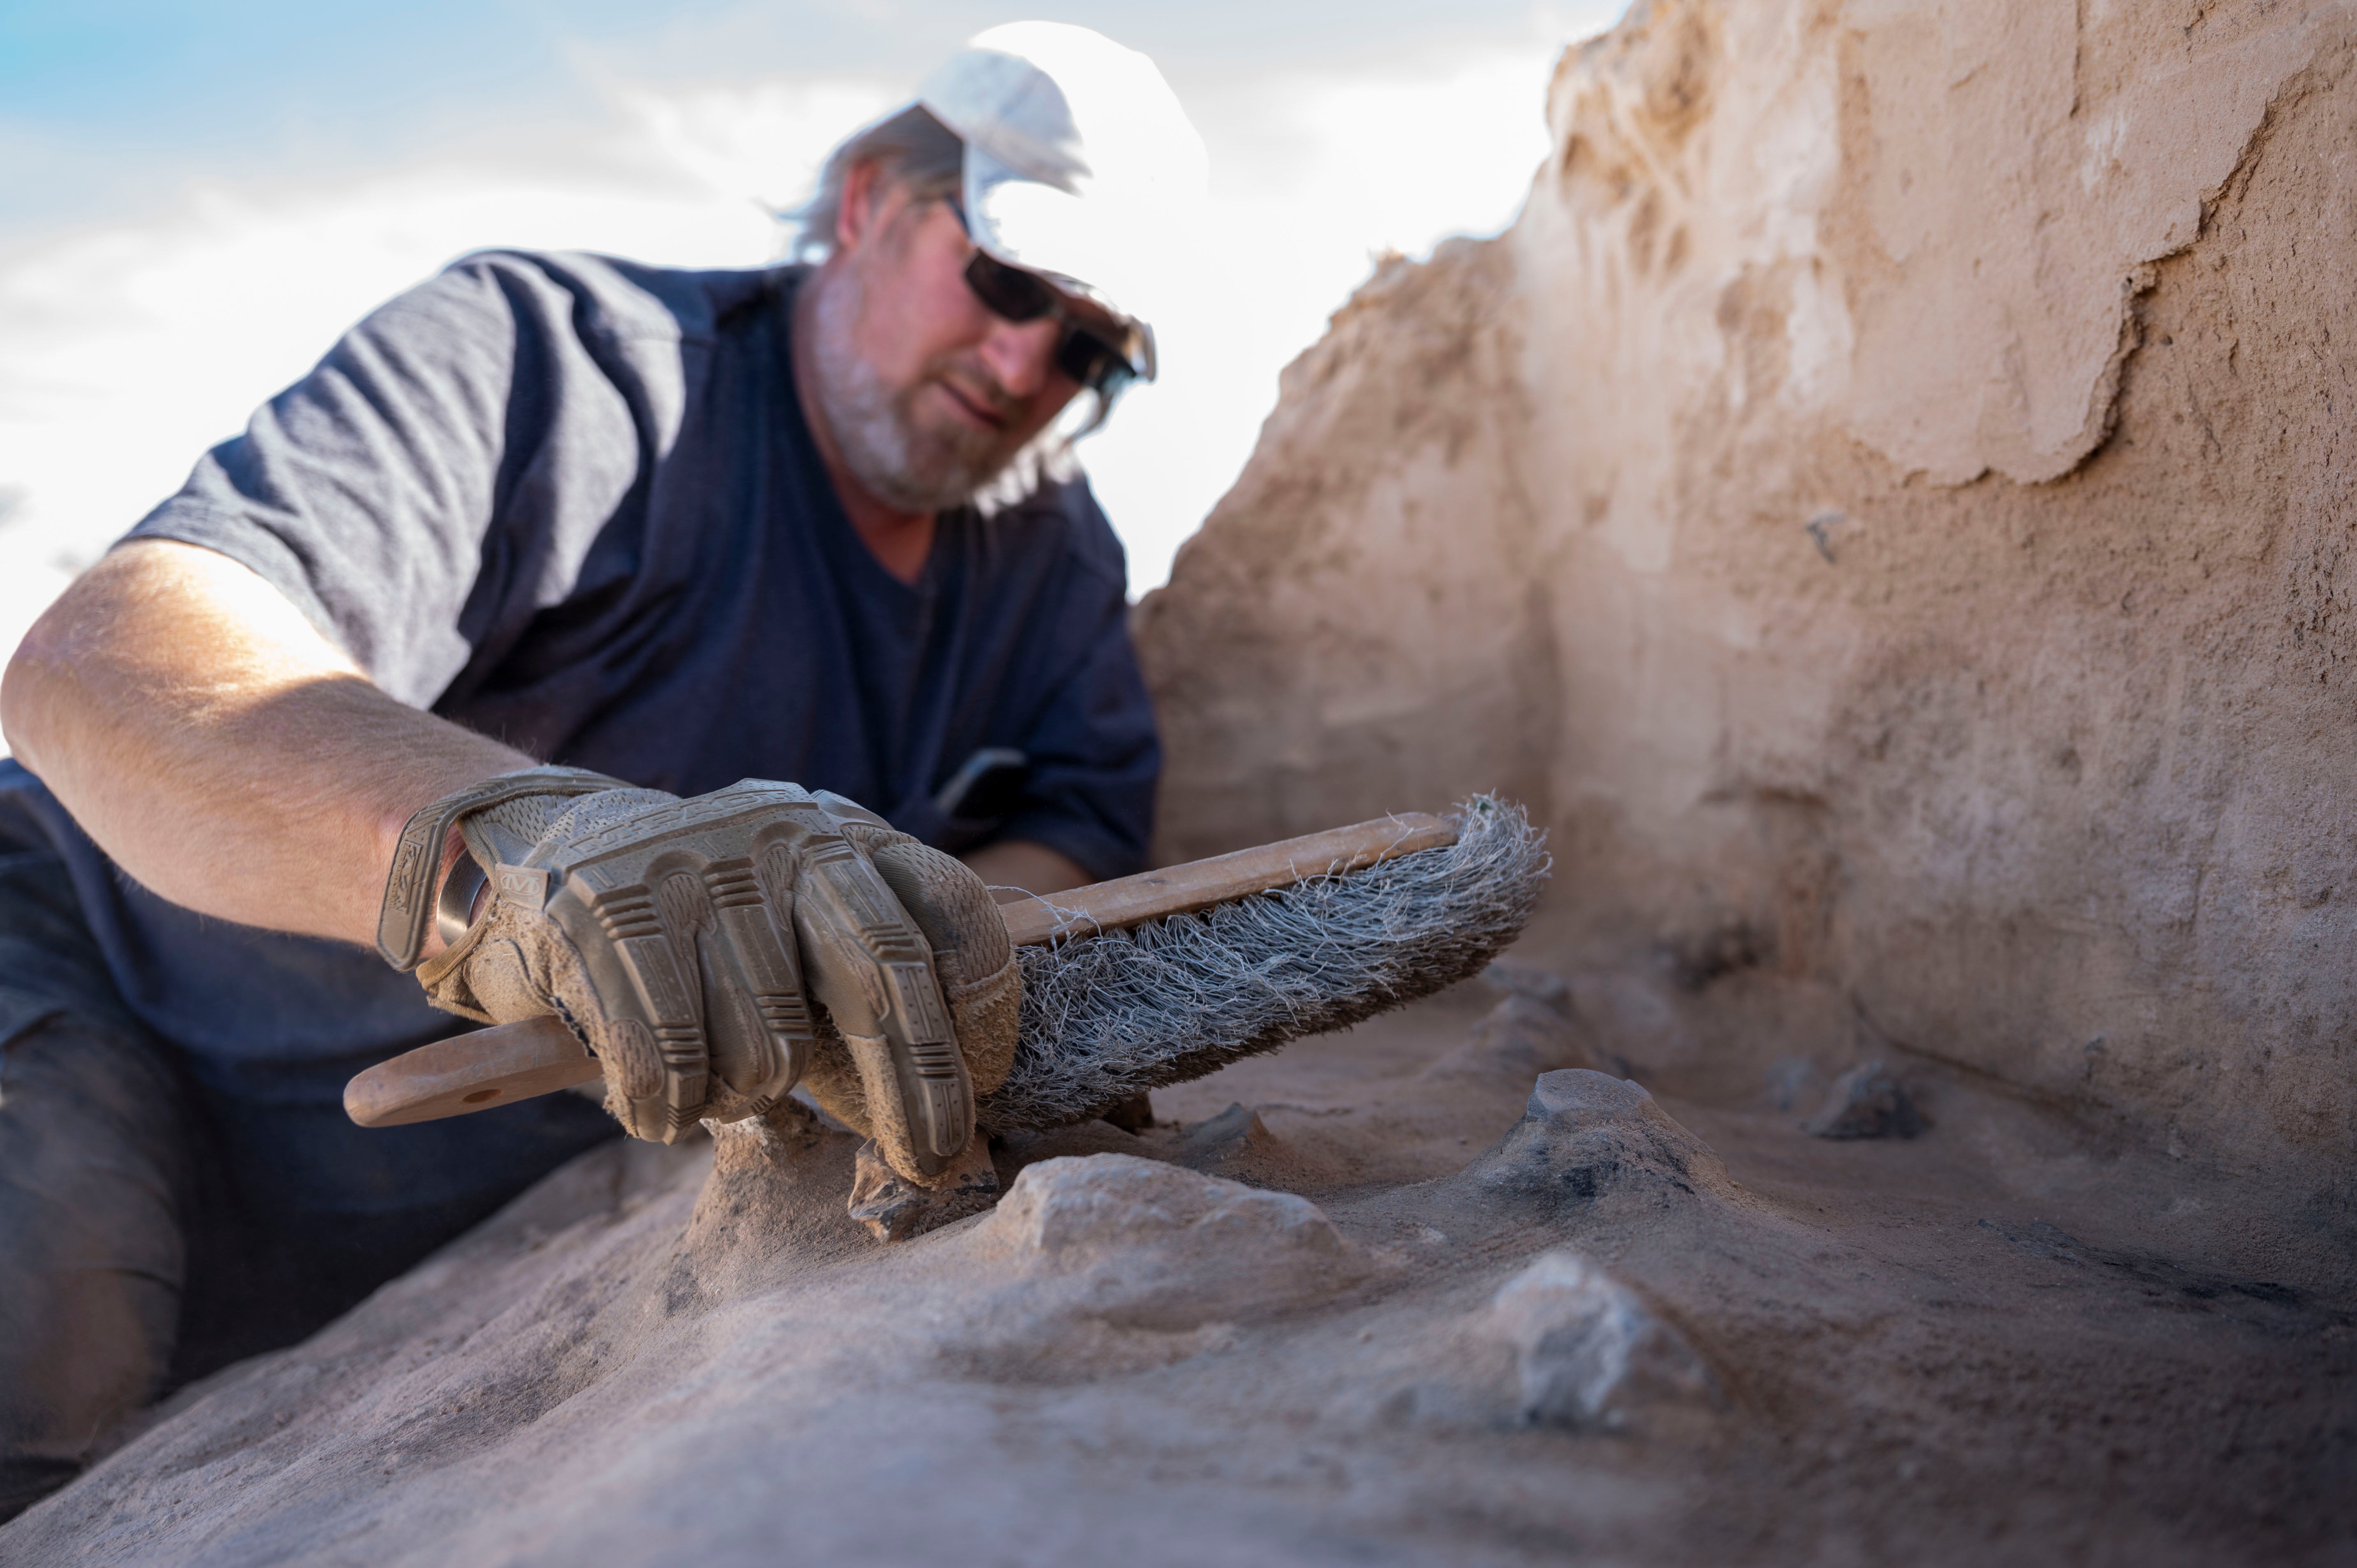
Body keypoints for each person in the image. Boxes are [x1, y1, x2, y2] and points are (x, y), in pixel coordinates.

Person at [0, 21, 1205, 1521]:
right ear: (868, 205)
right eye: (1012, 282)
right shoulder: (558, 368)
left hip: (422, 1201)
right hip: (96, 999)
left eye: (1090, 349)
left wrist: (925, 937)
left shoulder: (1047, 556)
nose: (1031, 364)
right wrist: (535, 849)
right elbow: (98, 660)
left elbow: (1081, 812)